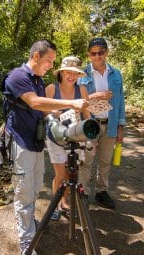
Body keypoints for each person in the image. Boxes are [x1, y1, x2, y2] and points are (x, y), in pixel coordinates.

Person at [3, 40, 89, 255]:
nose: (51, 65)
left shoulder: (39, 81)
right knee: (23, 195)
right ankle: (26, 242)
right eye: (49, 60)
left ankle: (28, 224)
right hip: (20, 144)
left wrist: (61, 120)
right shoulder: (17, 77)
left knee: (33, 189)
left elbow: (44, 111)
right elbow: (34, 103)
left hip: (36, 143)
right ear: (35, 57)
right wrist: (71, 103)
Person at [78, 37, 126, 209]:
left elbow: (120, 101)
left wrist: (121, 126)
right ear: (88, 55)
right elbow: (77, 101)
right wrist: (95, 96)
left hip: (110, 123)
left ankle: (102, 192)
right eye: (93, 53)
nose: (97, 56)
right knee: (87, 160)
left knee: (105, 161)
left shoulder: (116, 74)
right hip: (90, 123)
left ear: (106, 52)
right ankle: (82, 193)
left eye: (101, 52)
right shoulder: (82, 75)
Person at [44, 56, 91, 221]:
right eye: (68, 72)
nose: (72, 76)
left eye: (75, 73)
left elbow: (87, 114)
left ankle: (65, 202)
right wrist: (53, 112)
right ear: (61, 72)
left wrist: (91, 137)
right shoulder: (51, 88)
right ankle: (58, 203)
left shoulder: (82, 91)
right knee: (61, 174)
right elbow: (43, 111)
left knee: (73, 174)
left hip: (77, 136)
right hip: (56, 137)